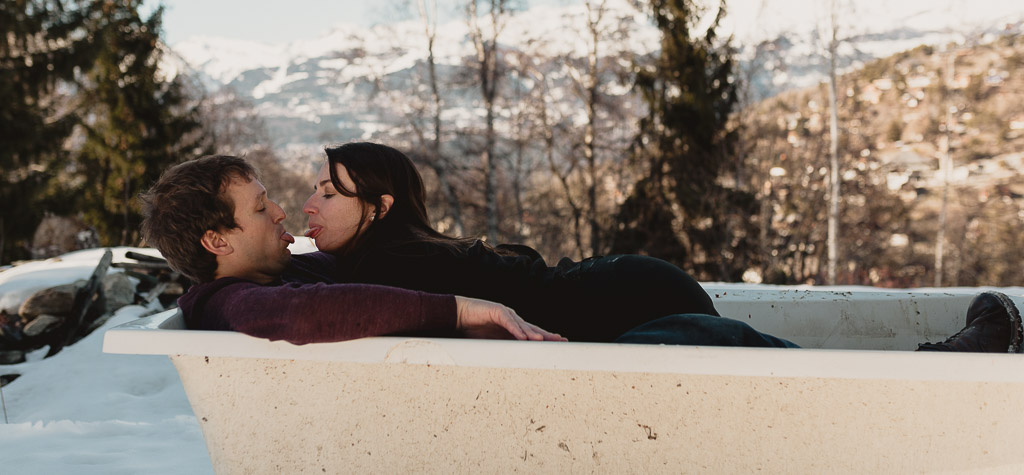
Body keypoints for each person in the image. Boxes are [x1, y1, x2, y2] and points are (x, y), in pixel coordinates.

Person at [302, 141, 1023, 353]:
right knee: (731, 343)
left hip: (618, 304)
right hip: (617, 318)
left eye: (328, 191)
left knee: (737, 346)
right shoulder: (370, 268)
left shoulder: (387, 260)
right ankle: (933, 365)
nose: (309, 202)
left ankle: (934, 367)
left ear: (380, 208)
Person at [139, 155, 565, 345]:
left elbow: (380, 268)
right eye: (260, 206)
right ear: (217, 240)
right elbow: (308, 312)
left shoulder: (293, 272)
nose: (281, 212)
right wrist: (461, 312)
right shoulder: (226, 302)